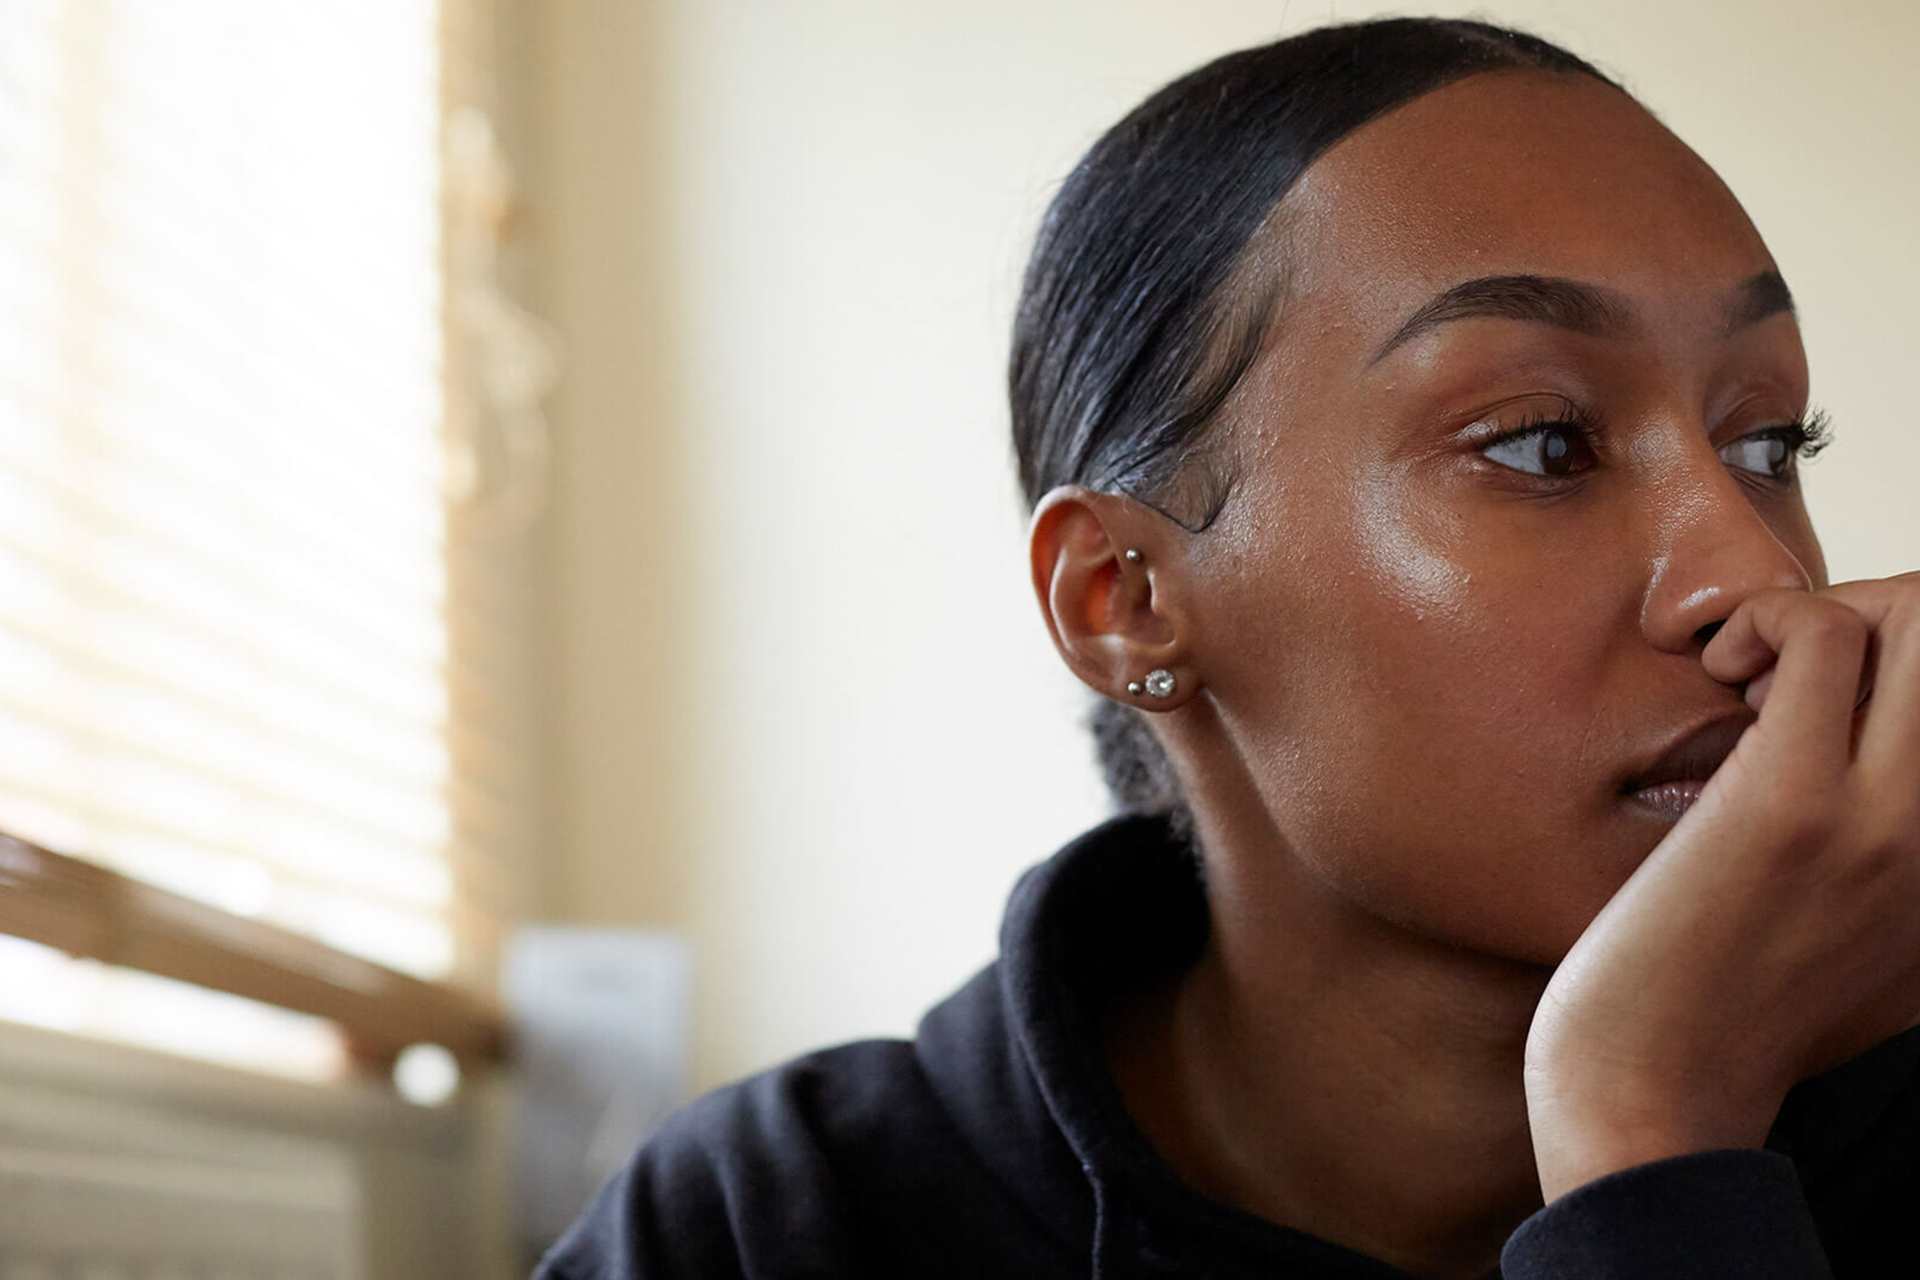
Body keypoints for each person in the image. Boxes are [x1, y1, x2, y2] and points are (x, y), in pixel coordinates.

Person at [534, 16, 1920, 1279]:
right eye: (1544, 445)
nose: (1761, 576)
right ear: (1124, 598)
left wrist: (1654, 1148)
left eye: (1764, 445)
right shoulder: (767, 1230)